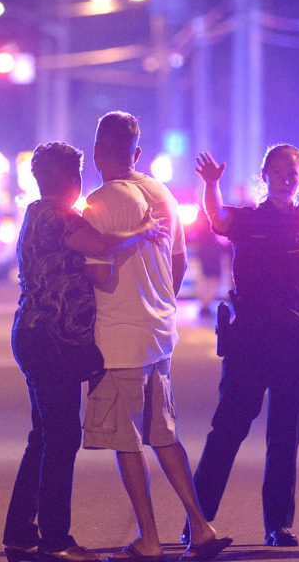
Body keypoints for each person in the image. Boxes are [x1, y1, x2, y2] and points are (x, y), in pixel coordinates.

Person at [4, 141, 168, 562]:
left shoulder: (33, 213)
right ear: (72, 180)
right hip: (52, 342)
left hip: (33, 336)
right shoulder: (59, 218)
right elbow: (100, 244)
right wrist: (143, 231)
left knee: (43, 436)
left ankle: (20, 532)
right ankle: (56, 540)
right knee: (61, 438)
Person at [80, 111, 232, 562]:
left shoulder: (100, 201)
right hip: (159, 333)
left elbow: (96, 272)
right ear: (137, 153)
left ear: (96, 153)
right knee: (164, 434)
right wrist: (159, 296)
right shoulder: (163, 195)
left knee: (127, 441)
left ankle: (148, 539)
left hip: (118, 337)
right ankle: (200, 527)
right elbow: (179, 263)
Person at [187, 145, 299, 548]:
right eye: (277, 171)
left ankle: (278, 525)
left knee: (283, 439)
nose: (286, 177)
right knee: (227, 431)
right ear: (265, 175)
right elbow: (217, 219)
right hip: (251, 340)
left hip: (297, 343)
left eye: (293, 170)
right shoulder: (250, 219)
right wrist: (211, 185)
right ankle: (197, 521)